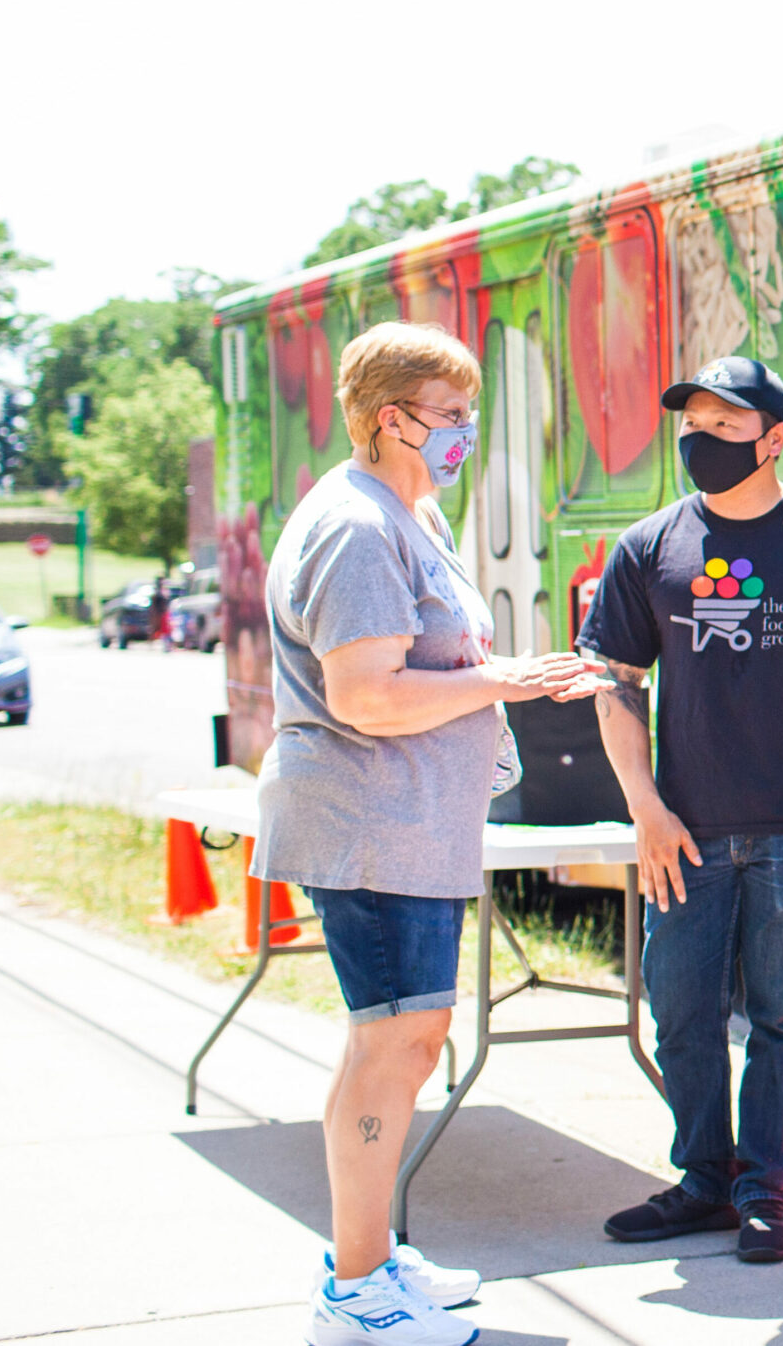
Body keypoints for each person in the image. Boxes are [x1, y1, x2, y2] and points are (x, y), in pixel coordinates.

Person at [254, 322, 609, 1346]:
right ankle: (357, 1295)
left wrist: (514, 678)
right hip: (372, 824)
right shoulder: (358, 528)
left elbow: (429, 666)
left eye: (468, 415)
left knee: (408, 1040)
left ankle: (370, 1262)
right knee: (392, 1044)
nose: (464, 435)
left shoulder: (406, 513)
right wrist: (509, 681)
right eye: (449, 418)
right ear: (385, 420)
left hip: (406, 826)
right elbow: (367, 695)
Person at [577, 356, 783, 1265]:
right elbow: (617, 688)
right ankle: (703, 1181)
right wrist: (643, 807)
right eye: (695, 423)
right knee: (680, 1013)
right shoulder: (647, 549)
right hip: (684, 834)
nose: (703, 440)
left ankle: (767, 1191)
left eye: (727, 426)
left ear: (774, 438)